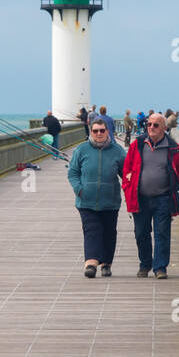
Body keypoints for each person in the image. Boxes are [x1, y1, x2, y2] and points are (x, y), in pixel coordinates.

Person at [122, 112, 179, 279]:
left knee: (162, 234)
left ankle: (160, 268)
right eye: (149, 124)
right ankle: (145, 265)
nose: (151, 127)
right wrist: (128, 189)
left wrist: (177, 195)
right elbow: (127, 169)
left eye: (156, 125)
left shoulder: (173, 147)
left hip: (163, 198)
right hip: (140, 198)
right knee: (141, 233)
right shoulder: (137, 144)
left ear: (164, 128)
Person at [67, 116, 126, 277]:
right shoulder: (82, 149)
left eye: (102, 130)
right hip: (86, 200)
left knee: (109, 232)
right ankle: (91, 264)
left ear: (107, 131)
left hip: (110, 201)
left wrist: (131, 189)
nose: (99, 133)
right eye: (95, 131)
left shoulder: (118, 151)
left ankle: (106, 264)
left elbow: (126, 173)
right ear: (91, 132)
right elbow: (73, 173)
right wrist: (79, 189)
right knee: (92, 230)